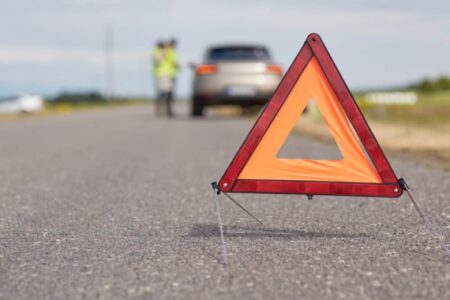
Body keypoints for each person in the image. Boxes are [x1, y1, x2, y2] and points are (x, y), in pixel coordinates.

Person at [151, 40, 174, 116]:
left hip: (167, 74)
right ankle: (159, 109)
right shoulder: (156, 52)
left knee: (167, 93)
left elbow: (172, 61)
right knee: (161, 93)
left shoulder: (169, 51)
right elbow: (158, 61)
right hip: (160, 74)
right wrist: (163, 52)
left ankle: (166, 110)